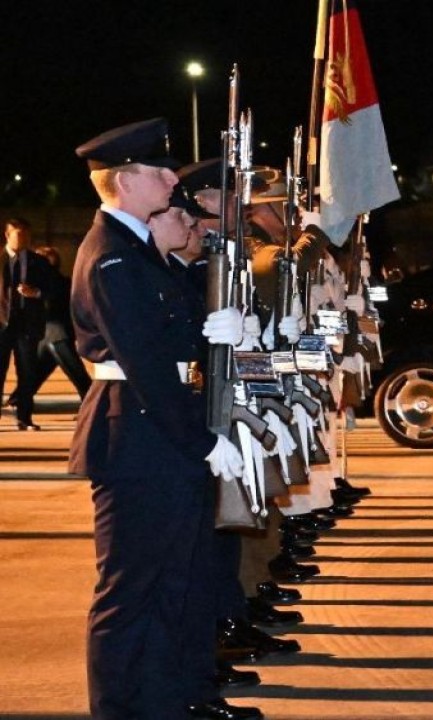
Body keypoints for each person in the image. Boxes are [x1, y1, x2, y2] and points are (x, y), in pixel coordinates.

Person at [71, 117, 259, 720]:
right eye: (161, 172)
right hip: (135, 435)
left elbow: (173, 338)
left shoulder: (137, 252)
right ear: (126, 181)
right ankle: (122, 708)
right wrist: (202, 441)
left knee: (179, 580)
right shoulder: (111, 256)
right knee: (131, 590)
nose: (173, 181)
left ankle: (175, 699)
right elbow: (147, 364)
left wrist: (215, 334)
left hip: (161, 434)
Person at [2, 216, 55, 429]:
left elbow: (54, 289)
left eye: (27, 234)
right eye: (19, 234)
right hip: (2, 325)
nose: (24, 238)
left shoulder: (39, 262)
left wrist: (36, 293)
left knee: (27, 373)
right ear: (7, 235)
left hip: (27, 326)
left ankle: (24, 418)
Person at [28, 245, 93, 399]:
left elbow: (53, 296)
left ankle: (93, 402)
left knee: (78, 374)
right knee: (35, 373)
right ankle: (17, 400)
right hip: (47, 336)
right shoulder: (36, 283)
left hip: (57, 335)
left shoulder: (58, 281)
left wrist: (37, 293)